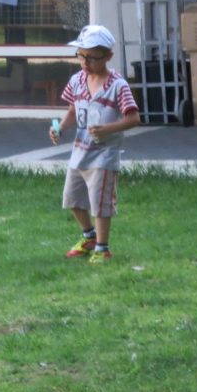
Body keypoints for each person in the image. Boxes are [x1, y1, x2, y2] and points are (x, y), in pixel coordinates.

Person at [49, 25, 140, 264]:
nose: (85, 62)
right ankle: (88, 237)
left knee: (100, 204)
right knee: (72, 199)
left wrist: (108, 129)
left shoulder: (118, 85)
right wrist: (59, 128)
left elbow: (133, 118)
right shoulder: (77, 81)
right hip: (80, 153)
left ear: (108, 56)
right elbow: (71, 111)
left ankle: (102, 247)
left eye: (92, 57)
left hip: (104, 155)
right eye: (81, 55)